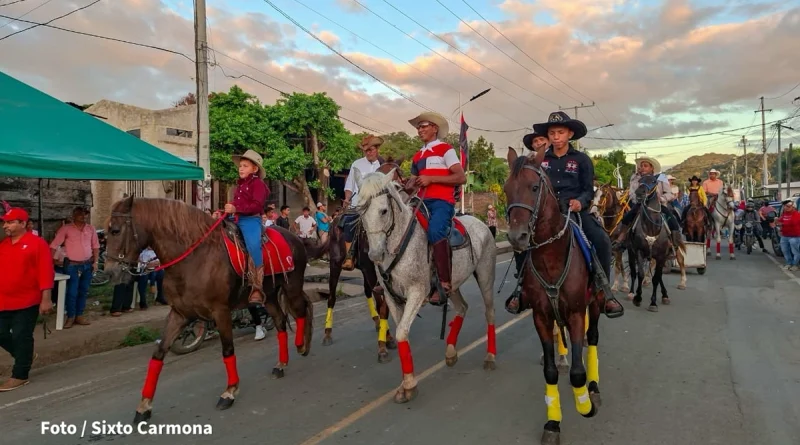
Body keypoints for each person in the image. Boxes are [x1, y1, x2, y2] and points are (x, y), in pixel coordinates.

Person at [507, 112, 623, 317]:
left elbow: (588, 188)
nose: (556, 136)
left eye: (561, 132)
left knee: (602, 240)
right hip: (546, 215)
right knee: (521, 242)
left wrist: (581, 201)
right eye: (552, 133)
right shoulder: (539, 160)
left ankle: (603, 292)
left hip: (575, 211)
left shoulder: (582, 159)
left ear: (570, 134)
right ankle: (522, 289)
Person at [406, 112, 467, 305]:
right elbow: (415, 181)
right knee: (402, 230)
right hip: (420, 201)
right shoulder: (417, 156)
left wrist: (432, 179)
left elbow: (461, 177)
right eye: (418, 127)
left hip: (441, 201)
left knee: (435, 230)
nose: (420, 129)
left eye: (424, 126)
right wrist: (408, 184)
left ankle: (444, 282)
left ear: (435, 128)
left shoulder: (445, 149)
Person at [0, 208, 54, 391]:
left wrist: (46, 298)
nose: (5, 225)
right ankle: (25, 356)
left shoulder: (37, 243)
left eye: (10, 222)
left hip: (27, 300)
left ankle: (20, 375)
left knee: (21, 335)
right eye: (5, 222)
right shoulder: (4, 245)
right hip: (4, 300)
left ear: (23, 223)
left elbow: (46, 271)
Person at [225, 149, 269, 306]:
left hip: (250, 220)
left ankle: (257, 286)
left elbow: (257, 206)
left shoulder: (259, 184)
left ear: (255, 169)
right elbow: (236, 205)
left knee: (253, 246)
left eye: (245, 166)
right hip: (234, 218)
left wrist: (236, 209)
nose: (241, 168)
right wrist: (223, 212)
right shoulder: (239, 186)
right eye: (240, 166)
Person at [613, 156, 682, 249]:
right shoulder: (636, 177)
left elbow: (669, 193)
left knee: (673, 221)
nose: (642, 168)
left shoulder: (661, 177)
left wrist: (661, 198)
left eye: (645, 166)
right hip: (641, 204)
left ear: (652, 167)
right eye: (641, 166)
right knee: (627, 217)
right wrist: (638, 198)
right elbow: (632, 192)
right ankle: (622, 238)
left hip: (659, 206)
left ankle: (675, 244)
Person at [49, 206, 99, 329]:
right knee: (72, 292)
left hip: (87, 264)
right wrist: (50, 262)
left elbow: (96, 246)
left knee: (83, 291)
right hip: (72, 265)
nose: (84, 216)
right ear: (74, 216)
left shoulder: (91, 228)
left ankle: (79, 315)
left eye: (86, 214)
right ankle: (70, 316)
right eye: (81, 214)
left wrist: (96, 262)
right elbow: (54, 245)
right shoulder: (66, 229)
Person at [341, 135, 384, 271]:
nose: (369, 153)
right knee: (349, 222)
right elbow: (349, 185)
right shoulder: (357, 164)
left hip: (377, 205)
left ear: (377, 149)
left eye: (371, 150)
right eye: (366, 151)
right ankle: (350, 256)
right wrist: (347, 198)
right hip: (359, 203)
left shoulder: (383, 165)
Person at [777, 200, 800, 270]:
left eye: (787, 206)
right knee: (784, 250)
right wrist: (777, 221)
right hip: (785, 236)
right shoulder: (784, 214)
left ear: (793, 207)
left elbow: (792, 223)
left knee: (795, 251)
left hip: (795, 236)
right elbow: (779, 221)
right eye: (784, 206)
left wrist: (782, 223)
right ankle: (789, 263)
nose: (785, 207)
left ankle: (795, 265)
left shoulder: (797, 215)